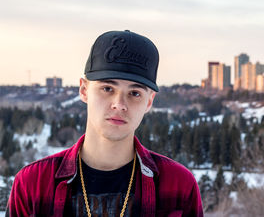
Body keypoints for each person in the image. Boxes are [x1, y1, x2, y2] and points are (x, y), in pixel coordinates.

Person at [6, 30, 203, 216]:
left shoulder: (179, 185)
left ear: (149, 101)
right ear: (84, 90)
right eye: (107, 88)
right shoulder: (33, 184)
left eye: (134, 93)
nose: (119, 104)